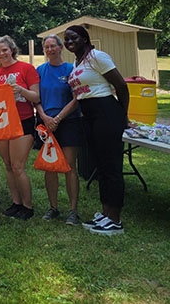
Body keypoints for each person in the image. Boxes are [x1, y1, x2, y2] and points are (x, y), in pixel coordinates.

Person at [64, 25, 129, 236]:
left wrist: (123, 115)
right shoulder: (78, 63)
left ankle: (115, 220)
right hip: (89, 113)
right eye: (66, 39)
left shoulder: (97, 56)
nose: (68, 42)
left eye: (72, 37)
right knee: (100, 165)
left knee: (111, 166)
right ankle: (105, 213)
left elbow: (121, 86)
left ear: (84, 38)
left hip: (105, 111)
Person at [0, 35, 40, 220]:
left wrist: (21, 90)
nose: (2, 54)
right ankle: (16, 202)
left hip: (23, 121)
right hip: (2, 123)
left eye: (4, 50)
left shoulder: (26, 68)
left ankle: (28, 206)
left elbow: (36, 97)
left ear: (11, 49)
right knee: (9, 165)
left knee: (18, 166)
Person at [35, 34, 83, 226]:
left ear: (61, 47)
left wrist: (58, 118)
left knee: (69, 166)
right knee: (50, 166)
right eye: (46, 47)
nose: (49, 50)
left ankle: (73, 210)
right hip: (46, 124)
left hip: (68, 121)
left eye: (53, 46)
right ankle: (53, 207)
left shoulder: (71, 70)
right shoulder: (40, 70)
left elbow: (76, 98)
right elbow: (35, 98)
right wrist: (45, 118)